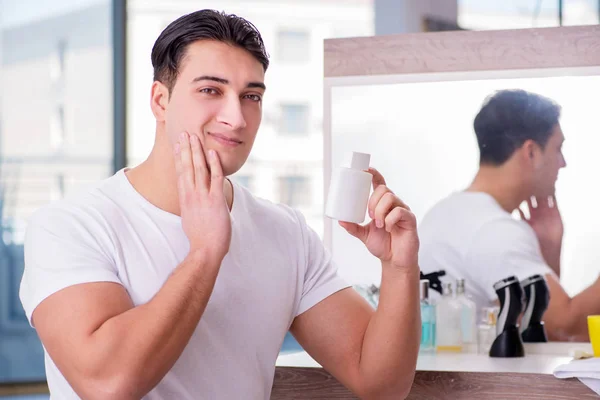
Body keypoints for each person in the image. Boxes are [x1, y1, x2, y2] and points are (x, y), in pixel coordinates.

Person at [20, 9, 420, 399]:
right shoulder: (70, 225)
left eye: (251, 96)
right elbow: (107, 384)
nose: (237, 117)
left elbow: (380, 383)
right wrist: (206, 252)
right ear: (160, 100)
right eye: (211, 90)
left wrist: (399, 268)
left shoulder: (286, 231)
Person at [418, 89, 600, 342]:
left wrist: (548, 252)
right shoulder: (494, 230)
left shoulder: (446, 212)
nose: (563, 163)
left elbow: (533, 326)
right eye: (558, 149)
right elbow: (564, 329)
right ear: (531, 153)